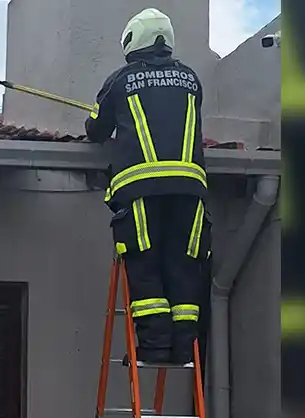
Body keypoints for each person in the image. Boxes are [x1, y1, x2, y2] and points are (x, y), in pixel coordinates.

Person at [84, 7, 211, 365]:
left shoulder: (120, 80)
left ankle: (154, 348)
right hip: (190, 191)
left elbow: (95, 130)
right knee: (184, 266)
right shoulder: (191, 79)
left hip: (139, 191)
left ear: (131, 39)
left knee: (145, 266)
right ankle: (185, 349)